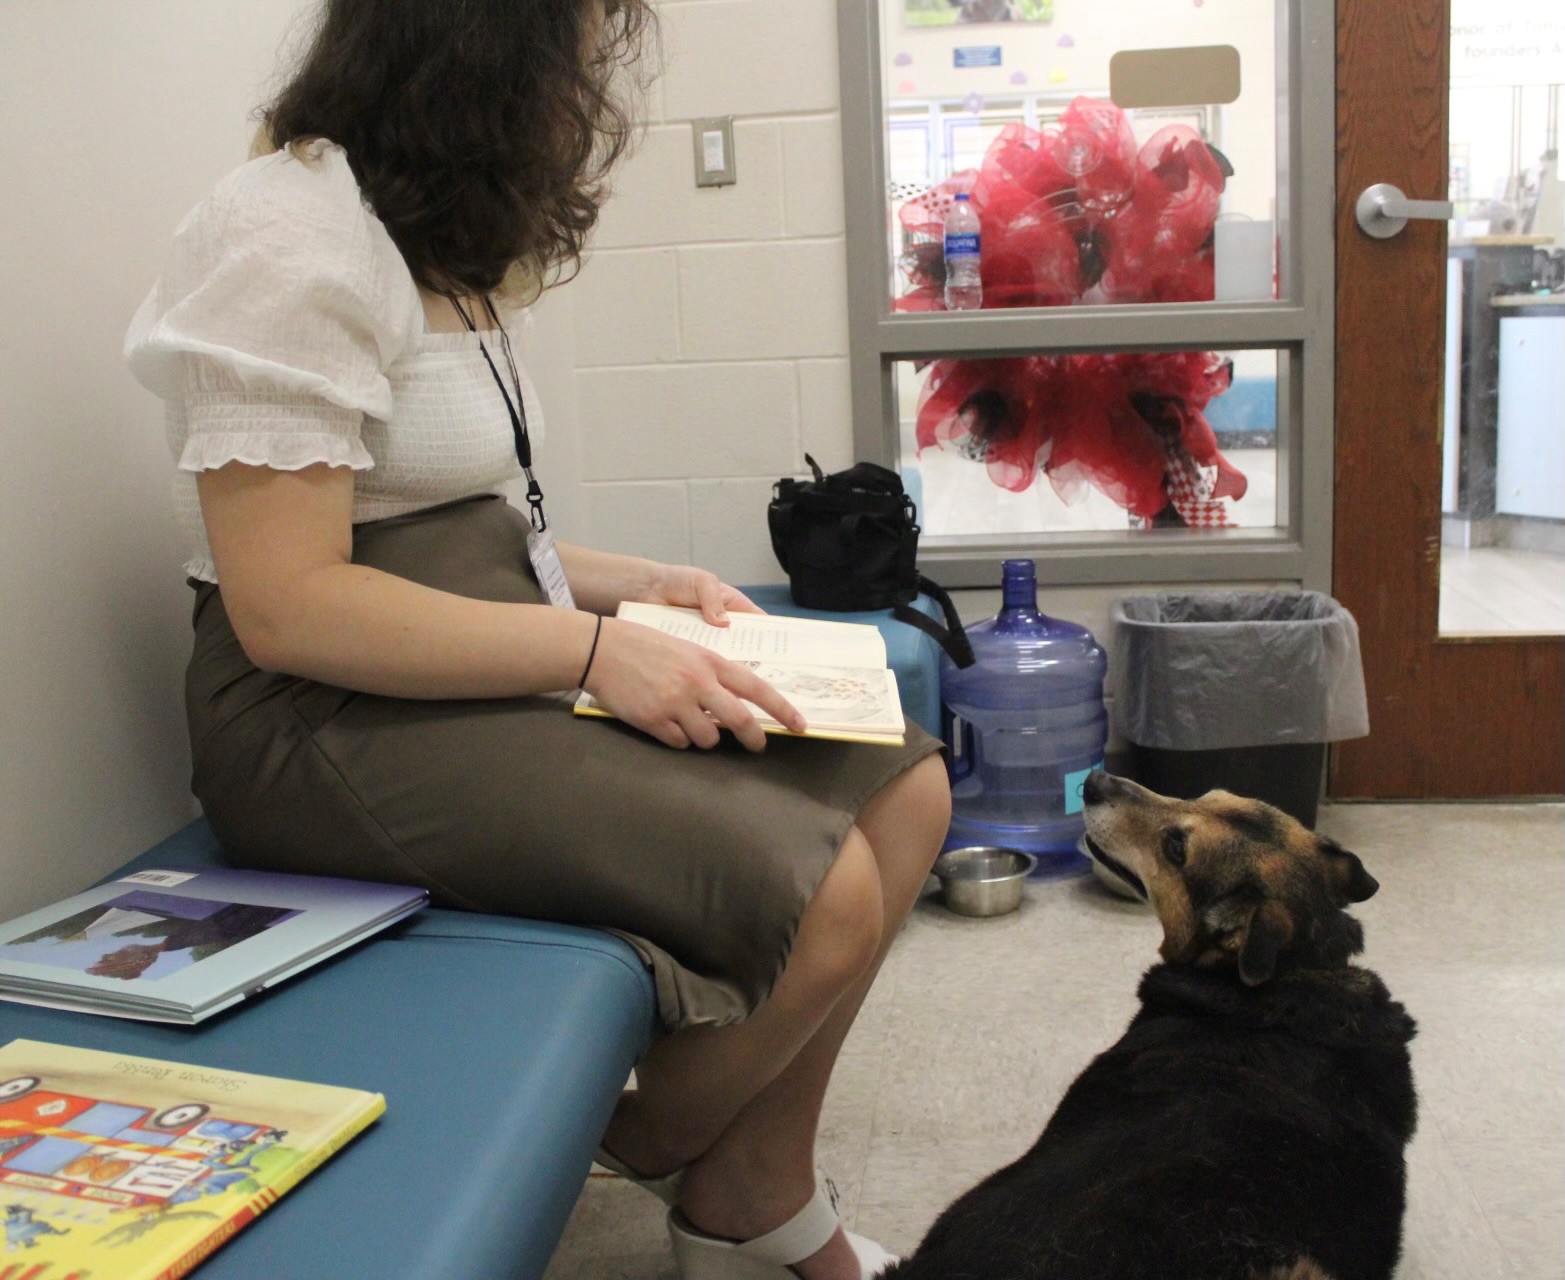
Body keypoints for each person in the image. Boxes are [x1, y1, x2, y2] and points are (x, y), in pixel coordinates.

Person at [123, 3, 950, 1278]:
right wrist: (585, 650)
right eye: (570, 55)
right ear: (479, 57)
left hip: (463, 647)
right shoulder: (282, 234)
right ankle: (636, 1143)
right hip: (315, 720)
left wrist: (643, 588)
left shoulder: (429, 244)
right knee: (823, 887)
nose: (585, 93)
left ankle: (752, 1184)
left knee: (906, 790)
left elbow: (465, 523)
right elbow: (291, 605)